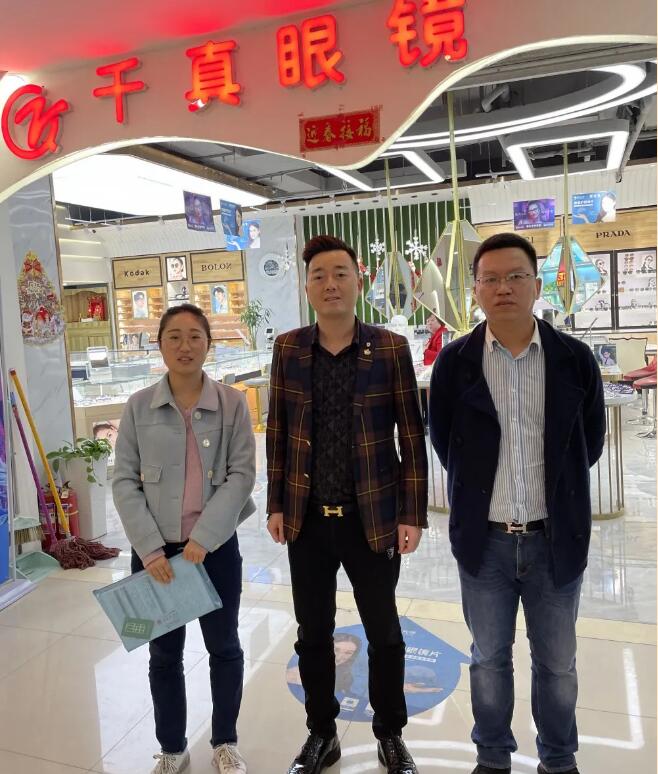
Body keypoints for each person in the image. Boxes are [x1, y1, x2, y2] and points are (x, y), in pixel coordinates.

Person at [429, 232, 605, 774]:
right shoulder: (455, 362)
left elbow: (590, 442)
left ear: (536, 284)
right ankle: (492, 757)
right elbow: (445, 441)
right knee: (488, 660)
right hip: (485, 543)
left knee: (557, 664)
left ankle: (558, 759)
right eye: (490, 279)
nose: (503, 288)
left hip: (555, 539)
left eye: (515, 276)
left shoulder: (573, 359)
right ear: (476, 289)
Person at [266, 235, 428, 774]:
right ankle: (322, 733)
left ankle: (390, 734)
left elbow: (412, 436)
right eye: (319, 275)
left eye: (340, 273)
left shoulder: (389, 347)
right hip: (307, 520)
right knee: (312, 633)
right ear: (307, 286)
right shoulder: (289, 348)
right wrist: (275, 504)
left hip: (372, 519)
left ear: (359, 281)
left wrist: (412, 513)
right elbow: (277, 432)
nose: (330, 284)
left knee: (384, 632)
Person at [112, 303, 257, 774]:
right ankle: (172, 747)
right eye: (174, 336)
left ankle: (225, 741)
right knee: (163, 654)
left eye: (195, 336)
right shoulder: (139, 406)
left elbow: (241, 475)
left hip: (213, 550)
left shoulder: (232, 403)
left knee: (224, 647)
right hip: (156, 555)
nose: (185, 346)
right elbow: (123, 480)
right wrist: (149, 548)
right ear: (159, 345)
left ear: (209, 345)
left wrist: (205, 538)